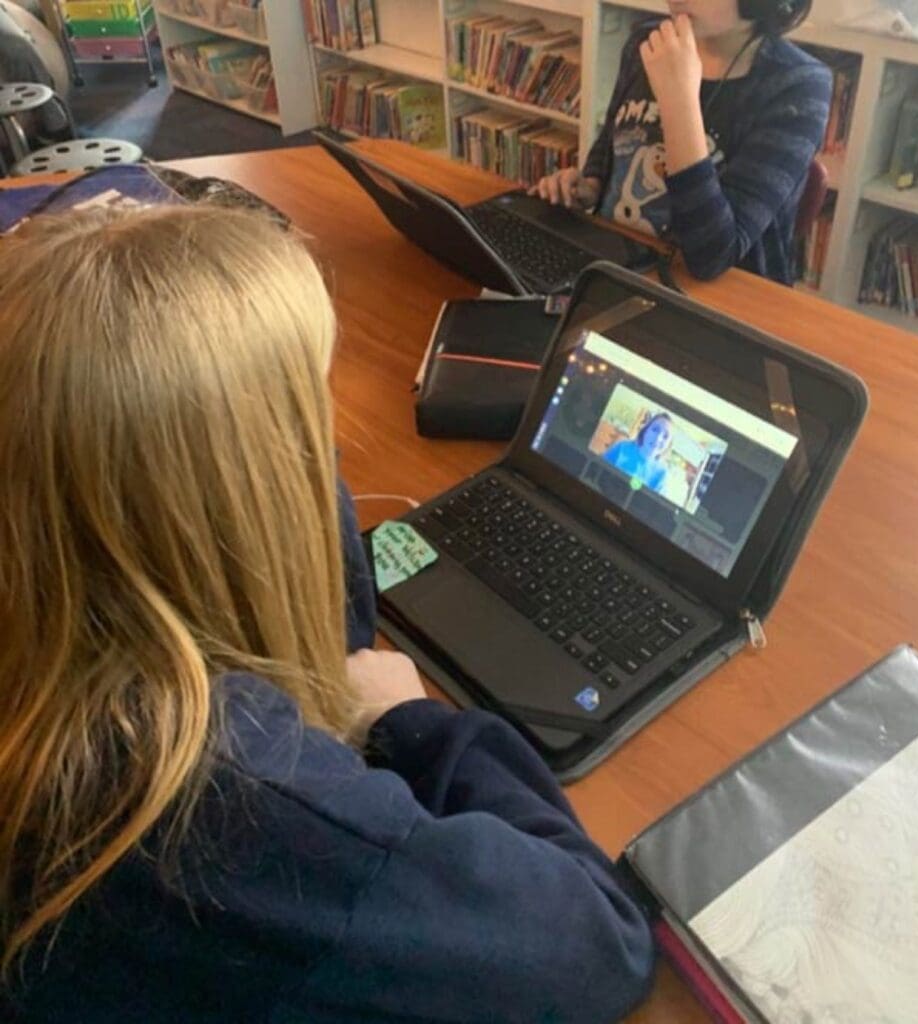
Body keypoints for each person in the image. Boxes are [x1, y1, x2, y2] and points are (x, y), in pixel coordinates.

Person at [0, 205, 654, 1022]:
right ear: (249, 489)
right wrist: (414, 721)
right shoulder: (237, 804)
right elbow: (598, 942)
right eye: (311, 419)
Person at [534, 0, 831, 285]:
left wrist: (678, 99)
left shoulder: (800, 86)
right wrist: (590, 186)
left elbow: (711, 256)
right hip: (615, 268)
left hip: (717, 301)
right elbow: (612, 141)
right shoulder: (649, 41)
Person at [603, 412, 675, 493]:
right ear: (646, 430)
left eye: (665, 436)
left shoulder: (662, 474)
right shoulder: (622, 447)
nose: (658, 438)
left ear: (668, 446)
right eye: (655, 429)